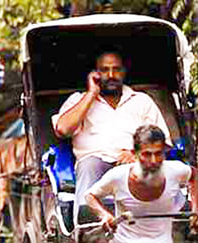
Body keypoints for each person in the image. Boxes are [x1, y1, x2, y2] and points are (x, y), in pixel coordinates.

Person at [51, 51, 171, 227]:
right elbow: (62, 129)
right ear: (96, 74)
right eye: (105, 70)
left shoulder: (142, 101)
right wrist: (92, 94)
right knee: (89, 164)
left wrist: (136, 155)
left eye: (116, 70)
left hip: (135, 164)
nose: (111, 75)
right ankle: (87, 228)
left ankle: (165, 222)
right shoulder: (78, 100)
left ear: (123, 72)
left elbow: (163, 142)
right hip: (96, 165)